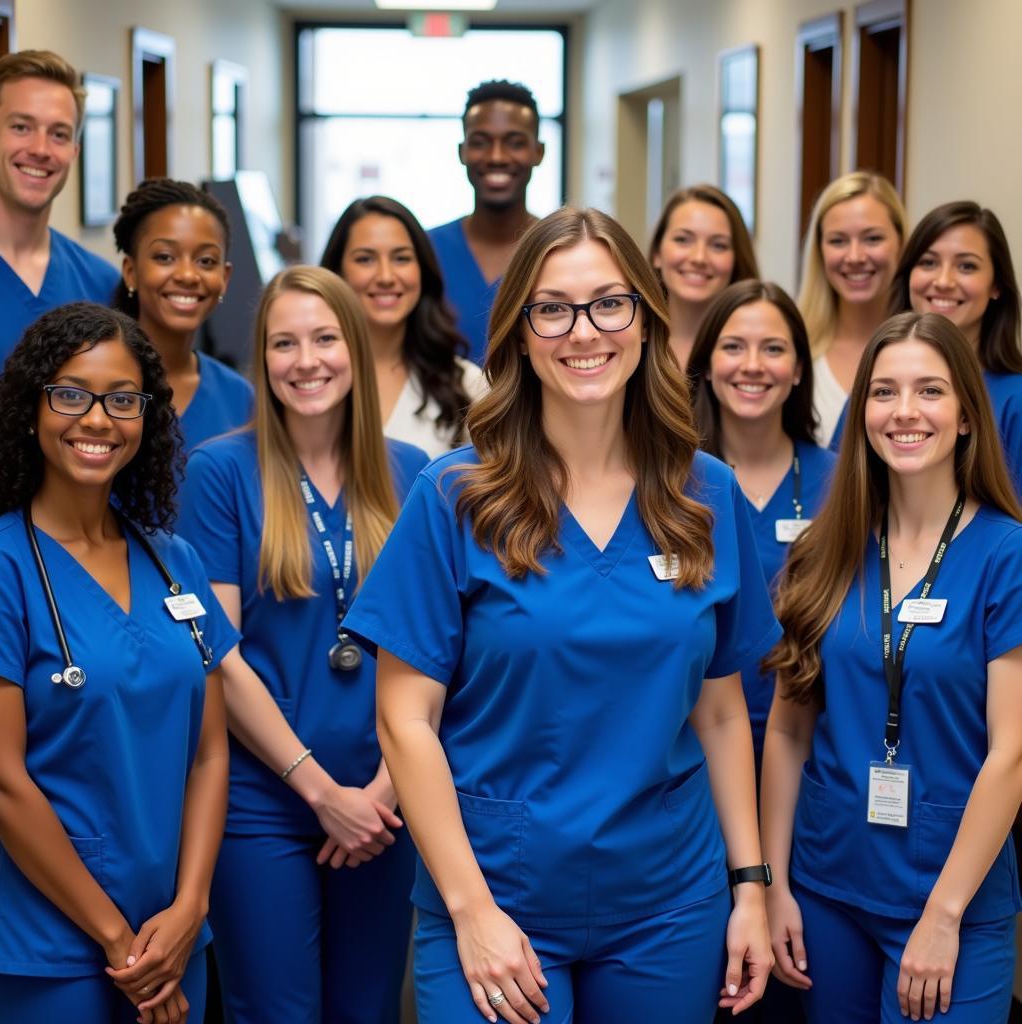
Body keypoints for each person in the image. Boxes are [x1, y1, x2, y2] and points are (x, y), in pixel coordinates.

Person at [345, 207, 778, 1024]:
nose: (585, 332)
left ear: (647, 322)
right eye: (553, 308)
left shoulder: (707, 493)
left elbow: (722, 712)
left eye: (610, 304)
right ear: (518, 333)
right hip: (497, 894)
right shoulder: (454, 495)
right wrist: (471, 912)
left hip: (668, 904)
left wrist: (749, 887)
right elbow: (405, 719)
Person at [176, 266, 429, 1024]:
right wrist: (322, 793)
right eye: (284, 343)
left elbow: (435, 650)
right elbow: (221, 654)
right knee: (277, 1011)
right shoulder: (219, 472)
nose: (306, 360)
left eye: (324, 338)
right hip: (268, 800)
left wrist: (383, 794)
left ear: (354, 346)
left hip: (386, 800)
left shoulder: (411, 473)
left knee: (368, 1009)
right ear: (262, 358)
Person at [761, 312, 1022, 1023]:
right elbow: (787, 732)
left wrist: (942, 916)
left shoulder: (1006, 556)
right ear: (861, 413)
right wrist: (774, 882)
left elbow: (1013, 755)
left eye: (930, 391)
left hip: (953, 899)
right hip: (827, 884)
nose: (905, 412)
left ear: (968, 415)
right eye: (884, 393)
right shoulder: (823, 551)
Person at [0, 302, 237, 1022]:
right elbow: (5, 781)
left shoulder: (175, 561)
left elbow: (210, 753)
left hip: (173, 934)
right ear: (32, 408)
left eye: (121, 399)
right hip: (52, 947)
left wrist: (190, 907)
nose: (97, 419)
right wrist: (118, 943)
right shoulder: (6, 565)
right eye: (70, 394)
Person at [687, 280, 835, 771]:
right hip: (692, 748)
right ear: (706, 365)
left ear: (797, 371)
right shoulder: (668, 482)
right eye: (733, 347)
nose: (753, 365)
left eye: (773, 348)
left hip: (808, 751)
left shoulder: (840, 481)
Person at [321, 195, 484, 458]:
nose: (386, 277)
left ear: (422, 270)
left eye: (401, 258)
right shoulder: (310, 376)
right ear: (338, 272)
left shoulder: (467, 385)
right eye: (365, 259)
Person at [113, 178, 253, 454]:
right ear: (131, 272)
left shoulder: (240, 398)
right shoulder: (95, 382)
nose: (188, 275)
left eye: (206, 261)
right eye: (165, 257)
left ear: (224, 278)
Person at [0, 51, 119, 368]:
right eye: (22, 127)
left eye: (59, 134)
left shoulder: (102, 284)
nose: (40, 149)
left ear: (74, 152)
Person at [894, 201, 1022, 494]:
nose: (943, 281)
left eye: (966, 266)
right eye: (928, 262)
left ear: (996, 286)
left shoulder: (1016, 401)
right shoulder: (875, 385)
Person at [428, 80, 545, 365]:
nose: (496, 157)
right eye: (480, 142)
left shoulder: (557, 249)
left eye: (515, 143)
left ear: (538, 152)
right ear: (462, 151)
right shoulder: (425, 251)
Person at [797, 171, 905, 446]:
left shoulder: (928, 351)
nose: (855, 256)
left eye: (872, 239)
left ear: (901, 242)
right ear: (819, 250)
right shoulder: (794, 352)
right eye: (838, 241)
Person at [648, 184, 759, 369]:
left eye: (718, 245)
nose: (699, 258)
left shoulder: (755, 354)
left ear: (737, 259)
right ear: (657, 253)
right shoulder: (630, 341)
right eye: (682, 240)